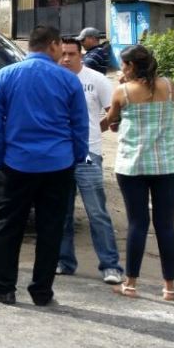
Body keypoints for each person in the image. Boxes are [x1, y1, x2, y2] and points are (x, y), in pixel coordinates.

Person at [0, 25, 88, 306]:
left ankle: (2, 288)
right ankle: (41, 292)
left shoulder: (5, 76)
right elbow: (79, 126)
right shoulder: (68, 80)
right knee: (51, 229)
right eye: (60, 48)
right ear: (52, 45)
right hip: (58, 165)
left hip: (16, 165)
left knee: (6, 226)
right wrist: (75, 156)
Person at [101, 45, 174, 301]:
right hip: (168, 166)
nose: (120, 69)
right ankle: (169, 288)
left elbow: (109, 123)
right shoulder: (169, 87)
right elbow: (169, 115)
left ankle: (131, 284)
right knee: (165, 225)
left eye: (123, 65)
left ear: (131, 67)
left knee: (138, 223)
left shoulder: (122, 92)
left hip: (133, 166)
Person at [57, 38, 124, 284]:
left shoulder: (96, 80)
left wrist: (96, 130)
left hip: (87, 154)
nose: (66, 59)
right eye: (62, 54)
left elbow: (112, 113)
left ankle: (110, 266)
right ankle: (64, 262)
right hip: (60, 155)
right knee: (62, 213)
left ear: (80, 55)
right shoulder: (54, 78)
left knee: (96, 212)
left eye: (71, 54)